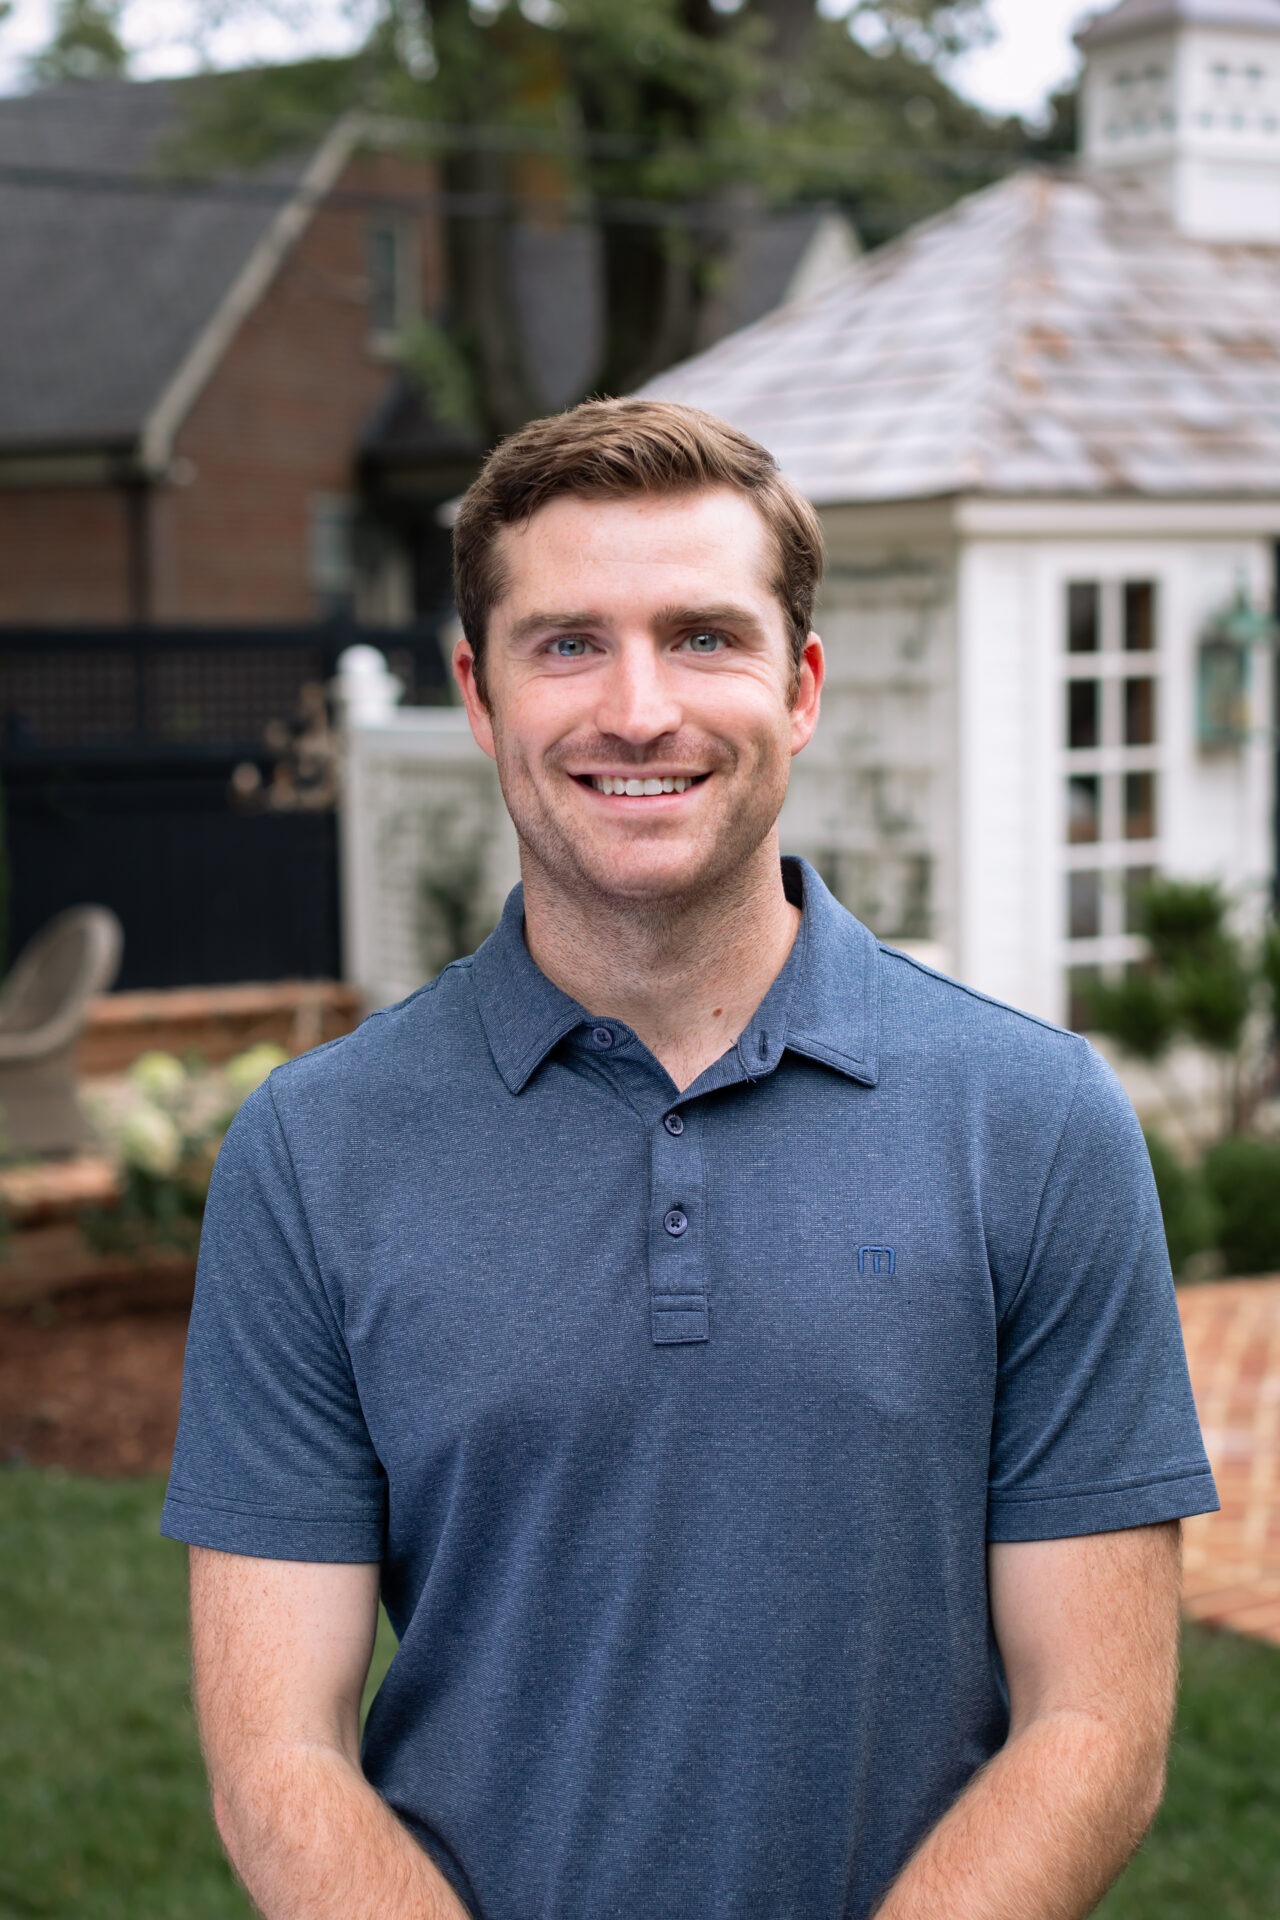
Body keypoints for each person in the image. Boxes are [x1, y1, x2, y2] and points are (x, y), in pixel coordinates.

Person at [162, 398, 1218, 1920]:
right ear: (479, 692)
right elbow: (278, 1758)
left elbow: (1097, 1726)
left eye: (704, 638)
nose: (639, 708)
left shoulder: (1036, 1121)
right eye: (569, 642)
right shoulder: (313, 1152)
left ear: (799, 688)